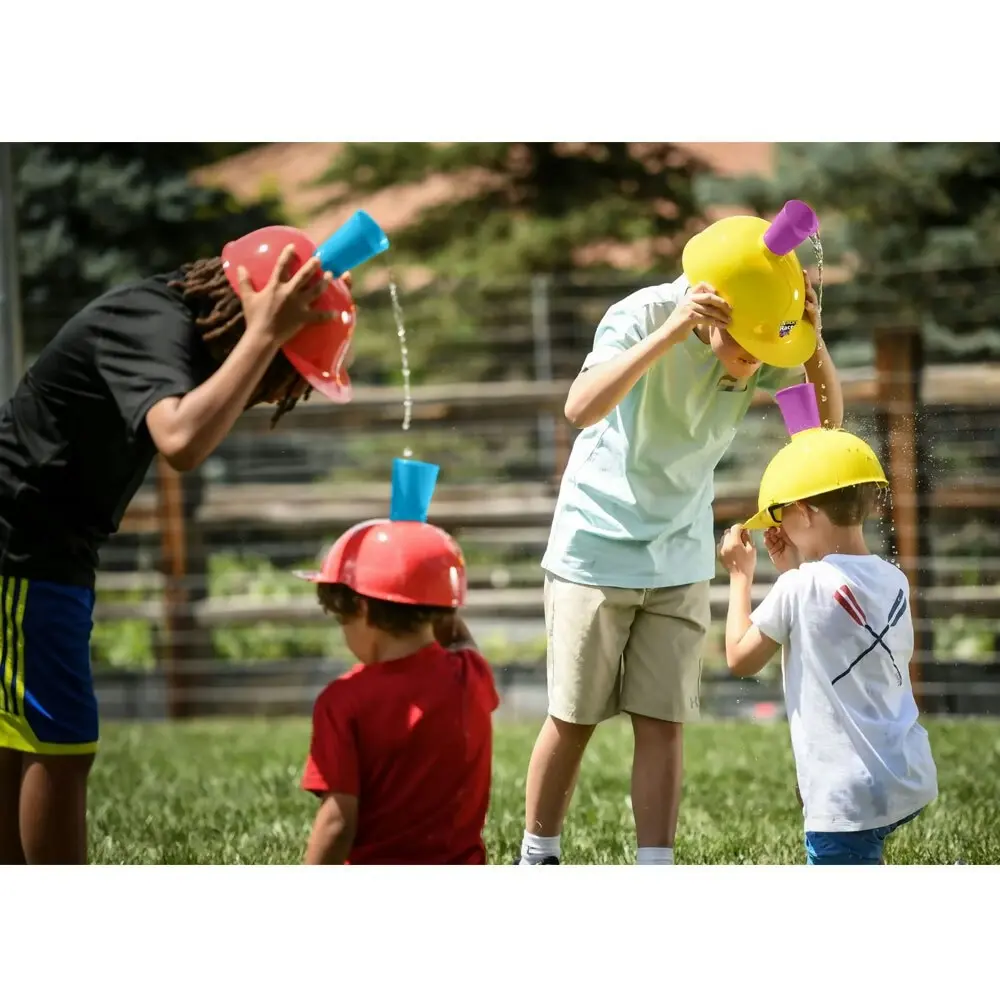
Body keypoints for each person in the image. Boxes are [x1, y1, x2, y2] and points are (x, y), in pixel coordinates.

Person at [0, 241, 347, 864]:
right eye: (288, 374)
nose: (275, 395)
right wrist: (265, 336)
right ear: (250, 317)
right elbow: (181, 439)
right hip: (20, 543)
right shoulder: (151, 322)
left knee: (20, 739)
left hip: (45, 545)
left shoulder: (167, 328)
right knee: (59, 742)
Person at [516, 228, 845, 865]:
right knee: (574, 717)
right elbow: (579, 407)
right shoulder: (638, 315)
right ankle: (537, 855)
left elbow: (827, 430)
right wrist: (670, 332)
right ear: (714, 308)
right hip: (596, 545)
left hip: (680, 553)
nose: (754, 365)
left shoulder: (761, 330)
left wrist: (810, 339)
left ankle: (655, 867)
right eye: (746, 349)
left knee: (664, 720)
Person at [718, 393, 938, 865]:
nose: (777, 525)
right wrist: (791, 569)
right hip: (903, 772)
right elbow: (828, 627)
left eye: (779, 515)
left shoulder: (800, 587)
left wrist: (741, 576)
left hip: (844, 794)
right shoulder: (892, 579)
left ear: (805, 512)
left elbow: (739, 657)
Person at [297, 514, 499, 865]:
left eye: (340, 618)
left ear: (360, 607)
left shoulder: (343, 701)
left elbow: (337, 820)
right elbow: (459, 637)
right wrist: (428, 581)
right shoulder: (471, 676)